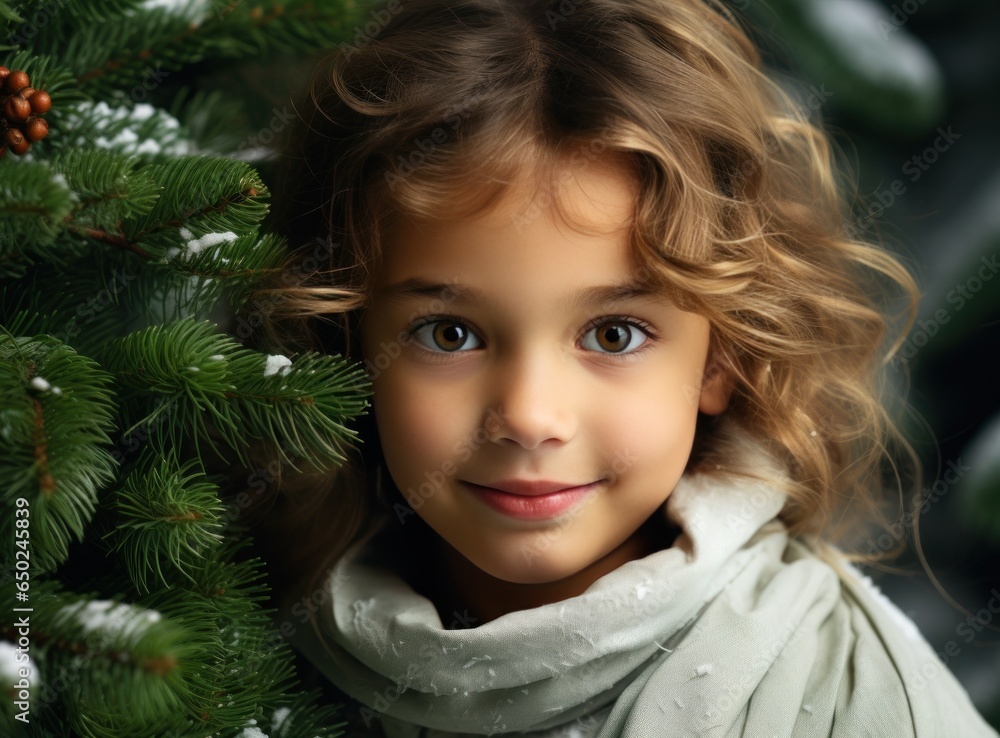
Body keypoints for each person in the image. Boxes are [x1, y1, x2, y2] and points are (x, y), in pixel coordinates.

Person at [246, 0, 1000, 735]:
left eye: (613, 334)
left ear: (723, 355)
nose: (532, 416)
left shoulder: (849, 698)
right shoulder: (226, 635)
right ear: (346, 339)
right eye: (448, 333)